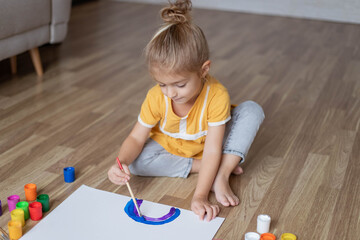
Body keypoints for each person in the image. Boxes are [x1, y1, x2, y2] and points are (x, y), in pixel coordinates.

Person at [108, 0, 264, 221]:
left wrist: (200, 195)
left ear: (204, 70)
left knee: (252, 110)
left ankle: (222, 173)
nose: (170, 93)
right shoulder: (156, 97)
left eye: (179, 85)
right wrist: (121, 162)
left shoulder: (217, 95)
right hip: (174, 148)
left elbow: (212, 149)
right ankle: (206, 168)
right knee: (136, 163)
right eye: (162, 84)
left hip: (213, 145)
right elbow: (135, 137)